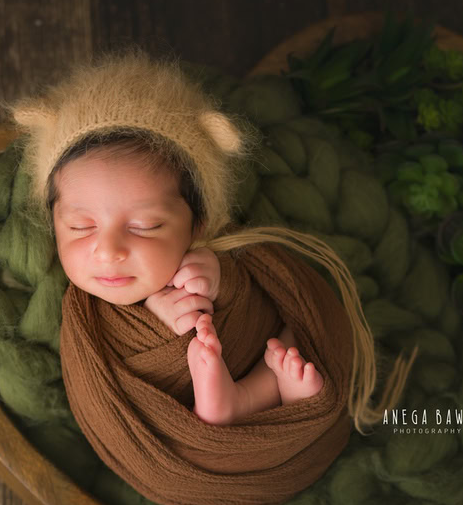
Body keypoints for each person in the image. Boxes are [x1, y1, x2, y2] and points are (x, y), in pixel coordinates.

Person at [48, 130, 323, 426]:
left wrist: (223, 281)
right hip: (164, 431)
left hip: (257, 369)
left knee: (300, 322)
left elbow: (269, 294)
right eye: (80, 227)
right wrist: (155, 325)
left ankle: (262, 397)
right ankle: (256, 403)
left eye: (145, 226)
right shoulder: (82, 313)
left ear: (198, 226)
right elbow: (105, 397)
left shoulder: (213, 256)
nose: (108, 252)